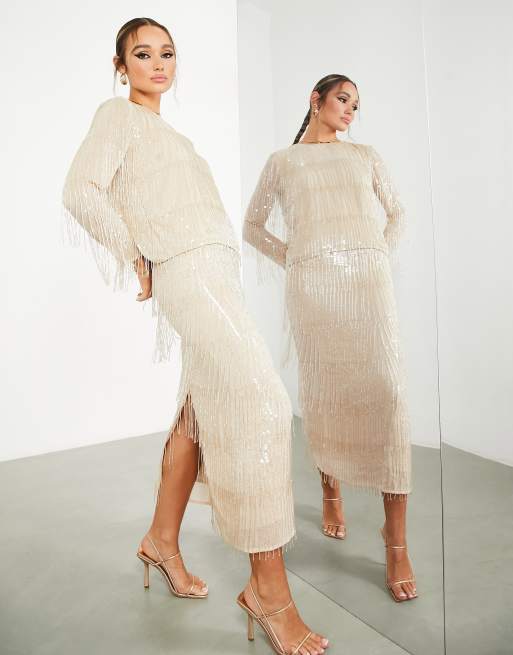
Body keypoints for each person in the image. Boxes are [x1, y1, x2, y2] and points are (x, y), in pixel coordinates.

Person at [62, 17, 329, 653]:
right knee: (264, 402)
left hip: (216, 275)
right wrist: (135, 253)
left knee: (197, 413)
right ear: (120, 66)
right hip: (186, 272)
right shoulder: (117, 116)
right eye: (143, 54)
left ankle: (161, 541)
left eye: (168, 53)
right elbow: (80, 191)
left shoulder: (170, 135)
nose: (159, 64)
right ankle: (268, 591)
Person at [243, 74, 417, 602]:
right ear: (315, 100)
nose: (350, 111)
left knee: (390, 393)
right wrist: (297, 259)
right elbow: (252, 226)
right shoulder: (283, 161)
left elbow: (398, 212)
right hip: (313, 287)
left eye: (356, 105)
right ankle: (331, 492)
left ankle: (396, 541)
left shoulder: (365, 155)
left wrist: (377, 253)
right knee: (324, 390)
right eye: (344, 99)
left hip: (368, 284)